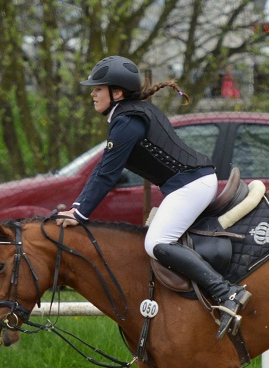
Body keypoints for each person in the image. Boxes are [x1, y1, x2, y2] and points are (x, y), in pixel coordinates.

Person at [58, 56, 251, 340]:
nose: (92, 93)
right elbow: (102, 169)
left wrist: (79, 214)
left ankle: (227, 292)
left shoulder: (127, 121)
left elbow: (106, 173)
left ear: (117, 93)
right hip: (191, 182)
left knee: (156, 243)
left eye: (98, 88)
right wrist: (77, 208)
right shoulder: (132, 114)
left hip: (191, 185)